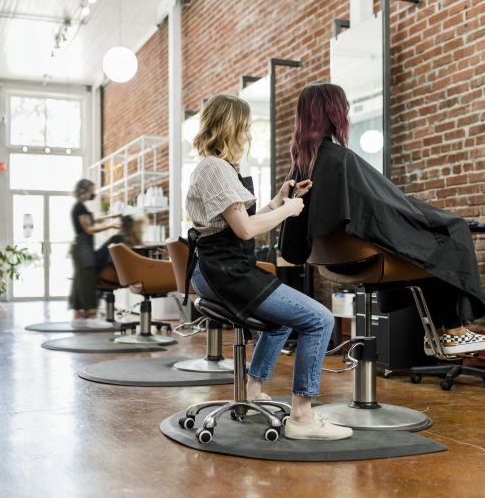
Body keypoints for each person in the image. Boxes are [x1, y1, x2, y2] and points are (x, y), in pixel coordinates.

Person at [186, 94, 353, 440]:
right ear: (230, 127)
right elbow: (245, 230)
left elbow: (238, 222)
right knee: (319, 318)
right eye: (245, 128)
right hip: (226, 272)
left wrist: (278, 200)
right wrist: (289, 211)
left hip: (219, 269)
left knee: (279, 322)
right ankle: (302, 417)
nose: (247, 135)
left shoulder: (217, 168)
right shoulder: (215, 168)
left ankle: (253, 388)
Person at [280, 82, 485, 356]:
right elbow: (385, 208)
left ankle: (439, 331)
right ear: (335, 113)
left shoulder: (300, 167)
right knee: (446, 236)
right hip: (366, 258)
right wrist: (430, 218)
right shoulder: (341, 160)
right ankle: (453, 330)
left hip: (336, 261)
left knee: (426, 245)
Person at [70, 179, 120, 327]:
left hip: (83, 247)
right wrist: (110, 225)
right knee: (87, 280)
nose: (94, 193)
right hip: (83, 248)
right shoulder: (80, 208)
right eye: (92, 190)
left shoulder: (80, 207)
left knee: (81, 281)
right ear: (85, 191)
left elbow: (91, 220)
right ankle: (91, 317)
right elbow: (89, 229)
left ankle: (81, 316)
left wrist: (108, 218)